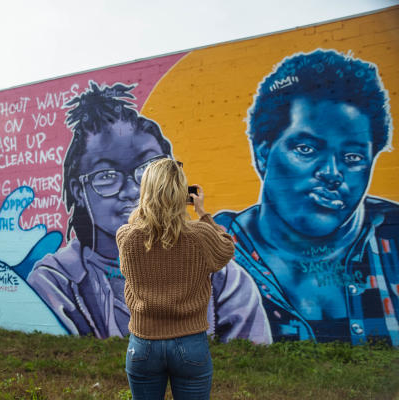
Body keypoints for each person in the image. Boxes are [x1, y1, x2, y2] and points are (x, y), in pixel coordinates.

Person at [28, 81, 270, 342]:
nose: (133, 189)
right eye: (107, 176)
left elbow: (250, 355)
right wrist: (201, 215)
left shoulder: (222, 278)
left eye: (148, 171)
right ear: (78, 189)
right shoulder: (57, 282)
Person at [214, 49, 399, 345]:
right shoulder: (211, 252)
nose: (332, 173)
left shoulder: (393, 237)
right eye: (306, 149)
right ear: (262, 153)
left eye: (352, 157)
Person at [117, 158, 234, 399]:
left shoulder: (127, 237)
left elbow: (140, 230)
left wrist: (147, 208)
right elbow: (226, 249)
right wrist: (203, 213)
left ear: (146, 191)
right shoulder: (200, 236)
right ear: (182, 193)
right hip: (190, 343)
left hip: (143, 344)